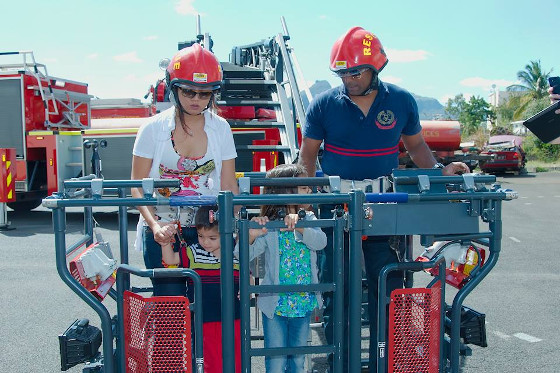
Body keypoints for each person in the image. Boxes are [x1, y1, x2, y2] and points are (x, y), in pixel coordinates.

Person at [298, 26, 469, 372]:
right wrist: (302, 200)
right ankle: (339, 359)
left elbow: (416, 146)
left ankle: (387, 358)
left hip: (384, 203)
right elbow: (306, 158)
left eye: (356, 71)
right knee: (339, 282)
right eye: (343, 72)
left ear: (376, 69)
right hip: (337, 204)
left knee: (388, 281)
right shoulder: (323, 105)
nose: (350, 79)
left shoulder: (401, 101)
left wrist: (440, 173)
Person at [131, 43, 239, 296]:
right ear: (174, 87)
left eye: (205, 93)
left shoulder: (221, 128)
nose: (196, 99)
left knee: (209, 304)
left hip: (207, 230)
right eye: (189, 91)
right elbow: (137, 184)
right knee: (170, 305)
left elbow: (229, 184)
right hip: (163, 228)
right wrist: (154, 226)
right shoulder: (152, 129)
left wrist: (232, 227)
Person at [238, 163, 327, 373]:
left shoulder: (310, 218)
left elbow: (320, 242)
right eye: (304, 187)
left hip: (302, 301)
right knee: (276, 360)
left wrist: (302, 227)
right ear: (287, 190)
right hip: (274, 304)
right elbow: (241, 255)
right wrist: (250, 236)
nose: (310, 191)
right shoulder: (268, 223)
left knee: (297, 359)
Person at [160, 205, 241, 373]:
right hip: (204, 317)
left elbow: (248, 273)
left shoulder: (236, 252)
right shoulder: (195, 252)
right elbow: (170, 259)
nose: (205, 242)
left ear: (227, 233)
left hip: (234, 316)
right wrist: (165, 242)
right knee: (208, 360)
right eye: (200, 236)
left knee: (235, 358)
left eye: (212, 237)